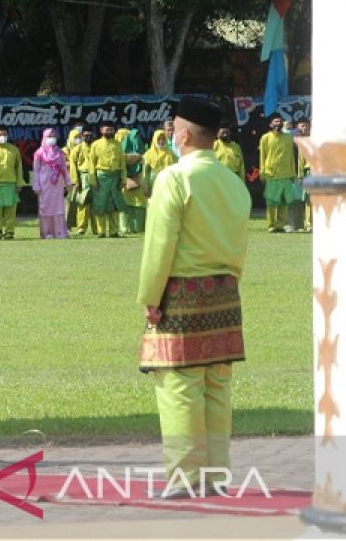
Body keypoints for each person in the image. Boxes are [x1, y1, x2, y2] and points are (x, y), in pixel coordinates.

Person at [138, 96, 250, 499]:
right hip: (225, 292)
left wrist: (150, 297)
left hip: (181, 293)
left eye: (173, 129)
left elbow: (160, 244)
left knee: (180, 388)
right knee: (217, 387)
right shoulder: (234, 182)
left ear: (182, 134)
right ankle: (215, 476)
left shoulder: (174, 178)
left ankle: (185, 478)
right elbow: (239, 245)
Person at [258, 116, 298, 233]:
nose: (278, 123)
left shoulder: (288, 138)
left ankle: (280, 225)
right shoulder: (265, 138)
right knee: (271, 202)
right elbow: (262, 156)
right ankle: (271, 225)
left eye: (280, 121)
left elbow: (291, 156)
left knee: (284, 202)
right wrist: (262, 172)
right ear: (271, 124)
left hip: (286, 174)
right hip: (271, 174)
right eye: (275, 121)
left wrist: (293, 173)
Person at [89, 121, 127, 238]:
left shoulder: (118, 144)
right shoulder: (95, 144)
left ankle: (114, 231)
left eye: (111, 129)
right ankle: (101, 231)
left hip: (115, 177)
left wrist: (123, 179)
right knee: (100, 205)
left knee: (114, 205)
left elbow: (122, 163)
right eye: (106, 129)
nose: (109, 131)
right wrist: (93, 180)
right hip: (101, 177)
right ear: (101, 130)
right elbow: (91, 163)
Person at [31, 128, 69, 239]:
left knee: (58, 207)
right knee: (45, 207)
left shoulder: (60, 152)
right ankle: (47, 233)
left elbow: (63, 168)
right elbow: (36, 170)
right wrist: (36, 184)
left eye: (53, 136)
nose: (51, 139)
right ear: (44, 137)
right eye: (49, 136)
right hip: (44, 184)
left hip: (57, 184)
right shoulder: (39, 153)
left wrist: (67, 182)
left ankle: (60, 232)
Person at [119, 127, 148, 235]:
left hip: (140, 182)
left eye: (138, 136)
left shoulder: (144, 150)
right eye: (134, 136)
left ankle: (138, 228)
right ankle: (124, 228)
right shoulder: (121, 151)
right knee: (125, 206)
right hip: (125, 182)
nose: (136, 138)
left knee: (139, 206)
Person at [70, 129, 97, 235]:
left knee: (96, 204)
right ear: (82, 136)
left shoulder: (96, 147)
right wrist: (76, 181)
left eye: (90, 135)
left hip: (96, 176)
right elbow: (73, 166)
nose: (88, 137)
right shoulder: (77, 149)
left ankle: (97, 228)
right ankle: (81, 227)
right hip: (83, 176)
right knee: (82, 203)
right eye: (85, 135)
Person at [142, 130, 178, 198]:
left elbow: (176, 170)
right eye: (159, 139)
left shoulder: (171, 154)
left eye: (163, 138)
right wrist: (145, 186)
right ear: (155, 140)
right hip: (152, 184)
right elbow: (145, 173)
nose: (161, 141)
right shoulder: (148, 155)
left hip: (168, 184)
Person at [294, 120, 312, 232]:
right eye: (303, 126)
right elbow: (301, 160)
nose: (305, 128)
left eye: (307, 126)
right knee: (308, 200)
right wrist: (301, 176)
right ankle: (309, 224)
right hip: (309, 172)